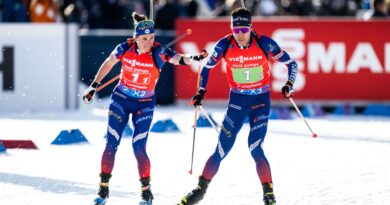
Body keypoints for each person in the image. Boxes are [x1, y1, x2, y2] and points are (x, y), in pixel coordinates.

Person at [83, 12, 208, 205]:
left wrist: (194, 57)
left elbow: (179, 59)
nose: (149, 42)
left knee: (139, 147)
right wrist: (93, 86)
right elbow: (108, 63)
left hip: (145, 104)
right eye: (144, 39)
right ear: (136, 38)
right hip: (120, 101)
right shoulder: (124, 48)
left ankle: (146, 192)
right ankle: (103, 190)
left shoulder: (158, 52)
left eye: (151, 38)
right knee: (111, 144)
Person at [177, 7, 298, 205]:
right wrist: (201, 91)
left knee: (256, 148)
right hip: (237, 102)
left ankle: (269, 195)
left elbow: (292, 64)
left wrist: (289, 84)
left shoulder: (264, 43)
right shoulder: (224, 44)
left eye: (243, 30)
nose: (240, 35)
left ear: (250, 27)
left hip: (260, 102)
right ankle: (199, 190)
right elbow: (206, 68)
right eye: (236, 30)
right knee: (221, 149)